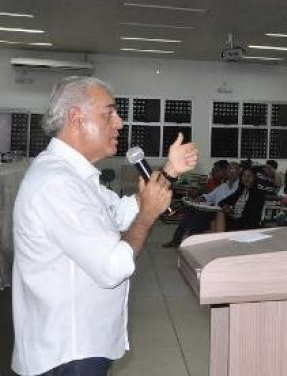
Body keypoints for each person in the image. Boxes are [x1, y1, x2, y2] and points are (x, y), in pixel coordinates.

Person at [12, 76, 198, 376]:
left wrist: (169, 171)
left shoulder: (76, 177)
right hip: (67, 353)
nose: (120, 122)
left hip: (81, 346)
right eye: (108, 113)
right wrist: (148, 217)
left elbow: (124, 212)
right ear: (76, 117)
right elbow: (113, 266)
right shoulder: (57, 184)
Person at [163, 161, 241, 247]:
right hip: (213, 210)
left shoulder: (239, 187)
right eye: (229, 169)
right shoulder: (224, 186)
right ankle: (177, 240)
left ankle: (192, 242)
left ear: (238, 172)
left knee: (198, 216)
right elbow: (211, 196)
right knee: (191, 211)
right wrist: (202, 197)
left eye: (233, 170)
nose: (231, 172)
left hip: (223, 213)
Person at [219, 166, 265, 231]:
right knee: (218, 215)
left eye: (249, 176)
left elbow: (252, 217)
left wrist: (234, 216)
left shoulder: (258, 195)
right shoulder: (239, 192)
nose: (246, 178)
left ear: (254, 178)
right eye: (244, 176)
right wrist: (226, 206)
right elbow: (221, 202)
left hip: (247, 225)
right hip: (235, 222)